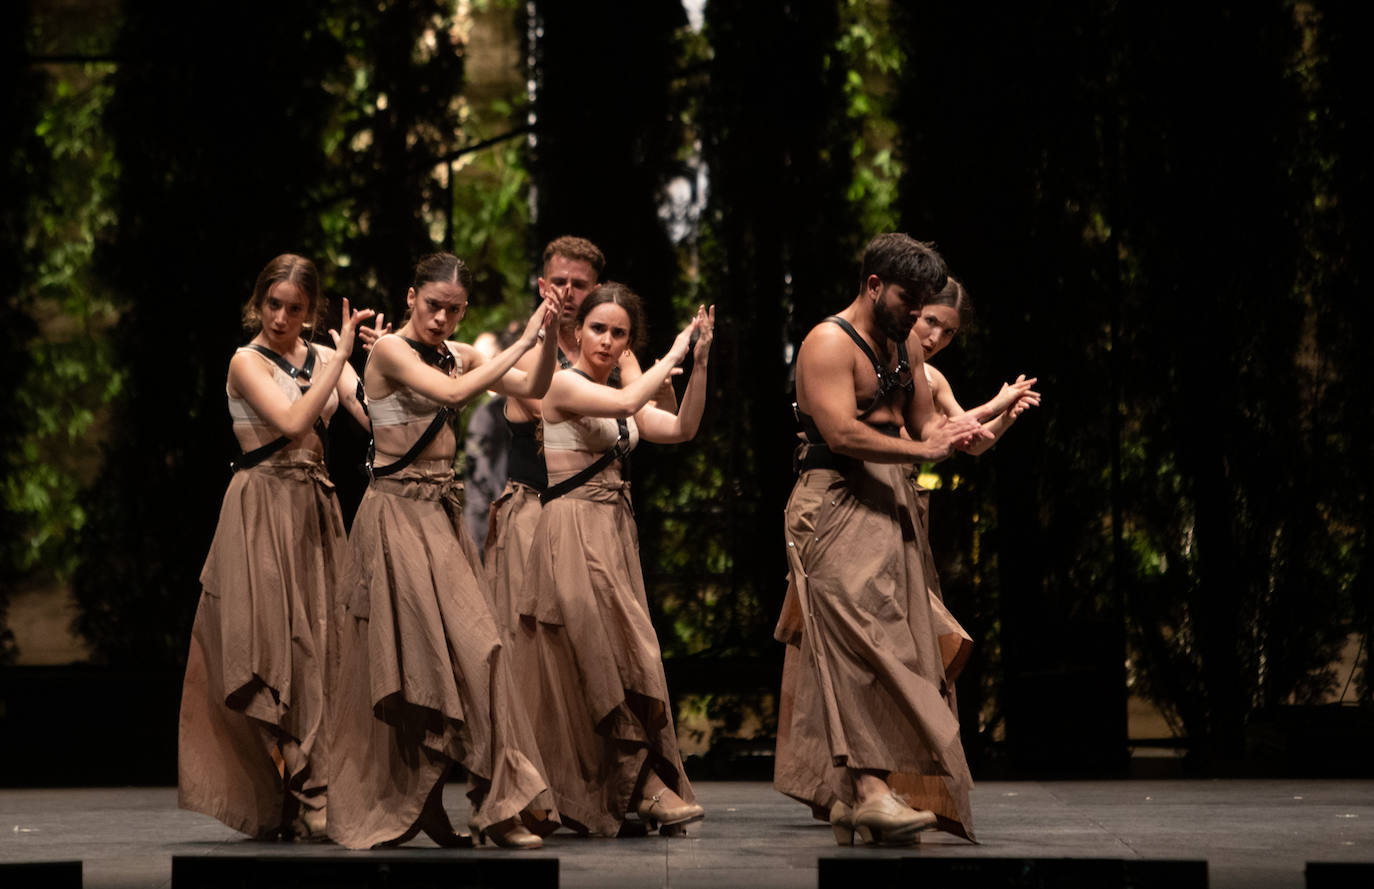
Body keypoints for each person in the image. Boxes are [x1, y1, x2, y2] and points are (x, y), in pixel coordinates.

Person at [773, 234, 1019, 847]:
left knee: (899, 642)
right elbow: (843, 431)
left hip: (891, 501)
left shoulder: (903, 342)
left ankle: (857, 795)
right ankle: (870, 792)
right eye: (909, 302)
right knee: (858, 643)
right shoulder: (828, 342)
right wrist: (923, 448)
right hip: (833, 499)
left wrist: (981, 420)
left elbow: (928, 421)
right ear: (874, 285)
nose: (918, 319)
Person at [326, 253, 563, 850]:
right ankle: (421, 802)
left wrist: (551, 328)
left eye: (455, 310)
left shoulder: (459, 353)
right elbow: (454, 391)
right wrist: (526, 336)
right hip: (396, 516)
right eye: (434, 306)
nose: (443, 319)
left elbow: (534, 385)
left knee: (483, 651)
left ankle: (499, 804)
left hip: (442, 515)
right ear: (410, 297)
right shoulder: (389, 353)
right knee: (416, 665)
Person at [178, 254, 373, 839]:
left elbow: (373, 417)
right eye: (273, 304)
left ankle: (317, 789)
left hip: (314, 508)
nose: (283, 316)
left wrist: (384, 363)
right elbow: (292, 423)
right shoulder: (246, 361)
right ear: (258, 302)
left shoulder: (321, 356)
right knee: (275, 646)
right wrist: (339, 359)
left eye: (295, 307)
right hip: (260, 508)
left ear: (310, 311)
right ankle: (302, 790)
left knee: (323, 646)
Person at [513, 285, 713, 837]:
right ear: (577, 332)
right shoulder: (560, 384)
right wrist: (672, 352)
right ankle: (644, 786)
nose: (606, 339)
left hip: (613, 533)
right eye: (598, 328)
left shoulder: (614, 391)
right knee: (601, 657)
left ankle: (626, 787)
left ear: (628, 342)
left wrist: (698, 364)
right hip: (572, 529)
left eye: (619, 333)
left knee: (627, 655)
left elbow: (681, 428)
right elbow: (629, 404)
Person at [484, 236, 675, 638]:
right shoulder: (528, 355)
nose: (567, 293)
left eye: (580, 285)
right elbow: (573, 406)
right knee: (536, 643)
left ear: (596, 293)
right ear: (541, 287)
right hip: (535, 511)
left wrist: (666, 394)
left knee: (606, 640)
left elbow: (649, 417)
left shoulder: (618, 353)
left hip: (600, 516)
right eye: (558, 282)